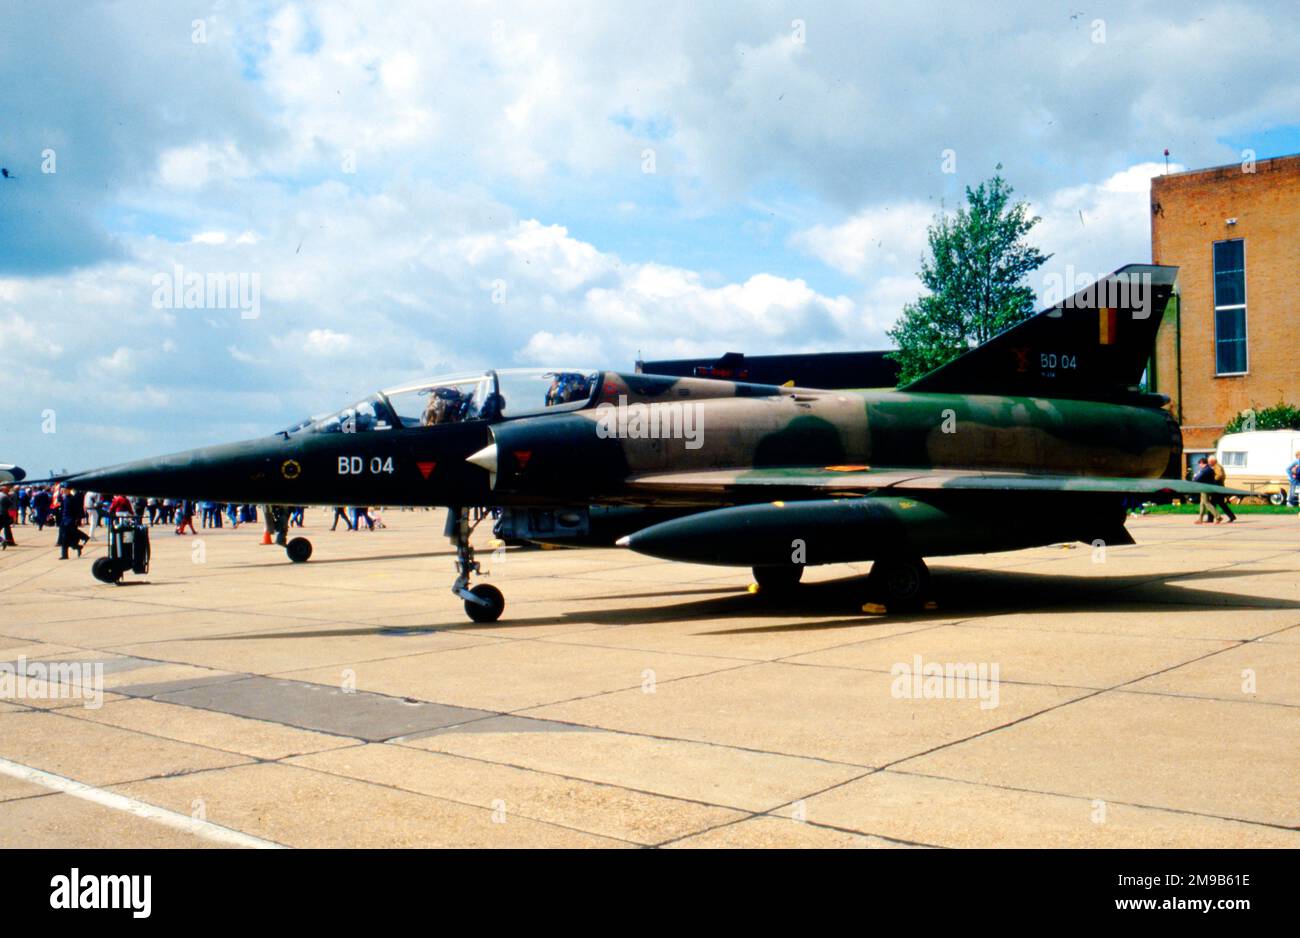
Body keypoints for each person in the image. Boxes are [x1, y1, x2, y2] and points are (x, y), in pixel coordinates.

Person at [56, 487, 88, 559]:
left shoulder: (72, 499)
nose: (62, 491)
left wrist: (78, 519)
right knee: (67, 538)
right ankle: (78, 546)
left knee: (65, 538)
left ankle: (65, 555)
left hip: (70, 520)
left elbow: (77, 509)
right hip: (64, 520)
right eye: (62, 490)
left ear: (68, 490)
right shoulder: (65, 498)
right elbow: (63, 509)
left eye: (64, 490)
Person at [1207, 456, 1236, 523]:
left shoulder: (1217, 466)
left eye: (1209, 462)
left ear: (1213, 461)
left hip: (1218, 487)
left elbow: (1220, 475)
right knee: (1221, 503)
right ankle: (1232, 516)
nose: (1208, 463)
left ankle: (1210, 519)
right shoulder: (1217, 466)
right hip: (1220, 487)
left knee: (1212, 503)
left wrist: (1213, 480)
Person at [1193, 458, 1220, 524]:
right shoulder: (1210, 469)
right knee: (1202, 504)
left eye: (1199, 464)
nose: (1199, 465)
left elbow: (1197, 478)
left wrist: (1195, 476)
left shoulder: (1205, 470)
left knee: (1206, 503)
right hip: (1208, 487)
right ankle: (1200, 519)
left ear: (1202, 463)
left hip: (1205, 488)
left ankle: (1218, 517)